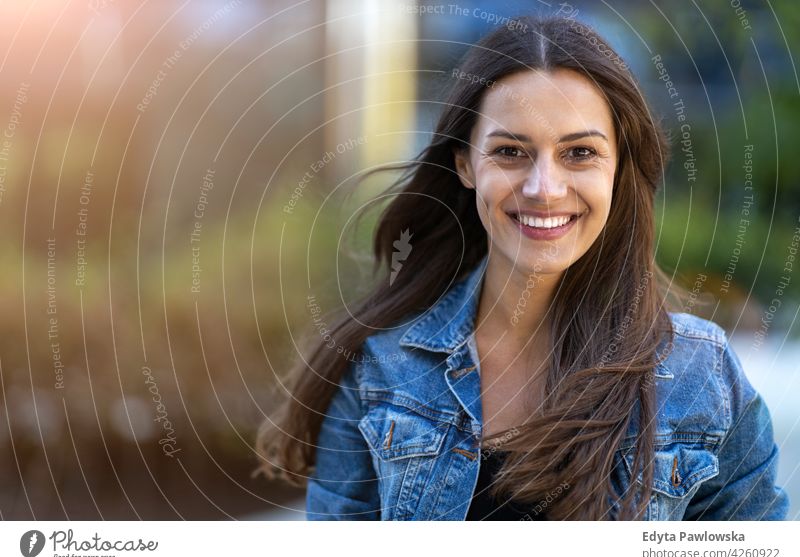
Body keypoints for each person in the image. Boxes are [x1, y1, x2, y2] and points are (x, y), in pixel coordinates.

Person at [255, 15, 789, 521]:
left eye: (579, 153)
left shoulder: (705, 381)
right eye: (511, 151)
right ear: (465, 164)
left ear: (619, 167)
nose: (544, 188)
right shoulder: (379, 370)